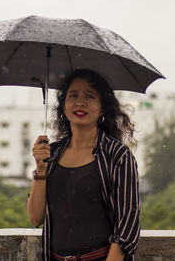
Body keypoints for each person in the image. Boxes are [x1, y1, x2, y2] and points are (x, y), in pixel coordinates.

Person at [27, 69, 140, 261]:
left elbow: (126, 231)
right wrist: (41, 170)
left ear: (103, 108)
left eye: (90, 96)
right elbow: (36, 217)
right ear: (64, 106)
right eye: (73, 95)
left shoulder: (118, 156)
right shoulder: (52, 153)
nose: (80, 102)